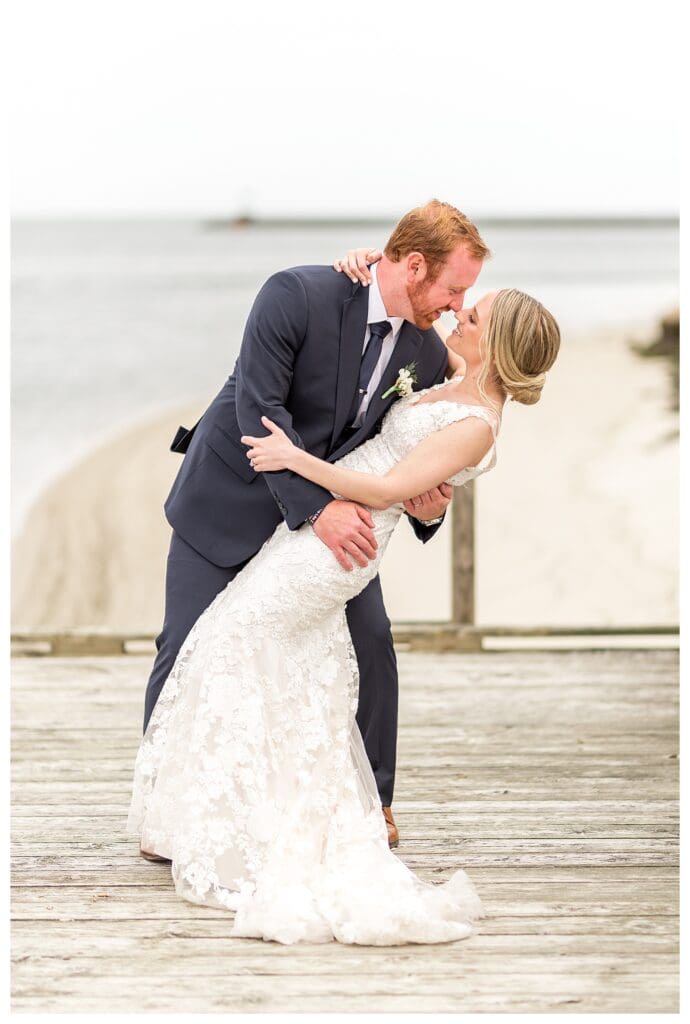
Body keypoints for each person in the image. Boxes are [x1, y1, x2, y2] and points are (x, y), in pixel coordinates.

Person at [125, 285, 561, 945]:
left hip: (341, 544)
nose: (458, 317)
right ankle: (220, 813)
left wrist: (294, 461)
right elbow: (405, 469)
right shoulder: (454, 386)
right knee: (263, 659)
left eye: (472, 318)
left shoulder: (476, 424)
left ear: (494, 347)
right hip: (314, 531)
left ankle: (238, 822)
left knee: (233, 640)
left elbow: (389, 487)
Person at [140, 200, 489, 857]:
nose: (456, 303)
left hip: (333, 523)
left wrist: (429, 507)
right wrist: (317, 508)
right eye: (453, 287)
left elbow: (417, 445)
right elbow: (258, 406)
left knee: (373, 644)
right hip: (234, 494)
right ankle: (166, 805)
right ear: (413, 266)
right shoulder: (296, 294)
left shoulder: (427, 351)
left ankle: (374, 804)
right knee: (185, 644)